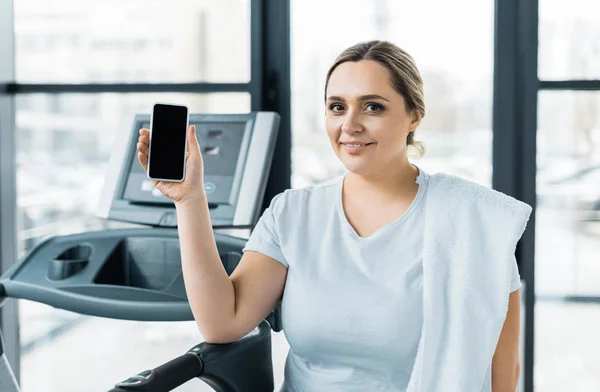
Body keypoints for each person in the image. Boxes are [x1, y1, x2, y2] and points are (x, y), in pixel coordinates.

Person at [136, 40, 524, 392]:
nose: (350, 125)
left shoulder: (472, 223)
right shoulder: (292, 214)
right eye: (337, 107)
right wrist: (189, 201)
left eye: (373, 107)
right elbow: (223, 322)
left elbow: (502, 375)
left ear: (414, 116)